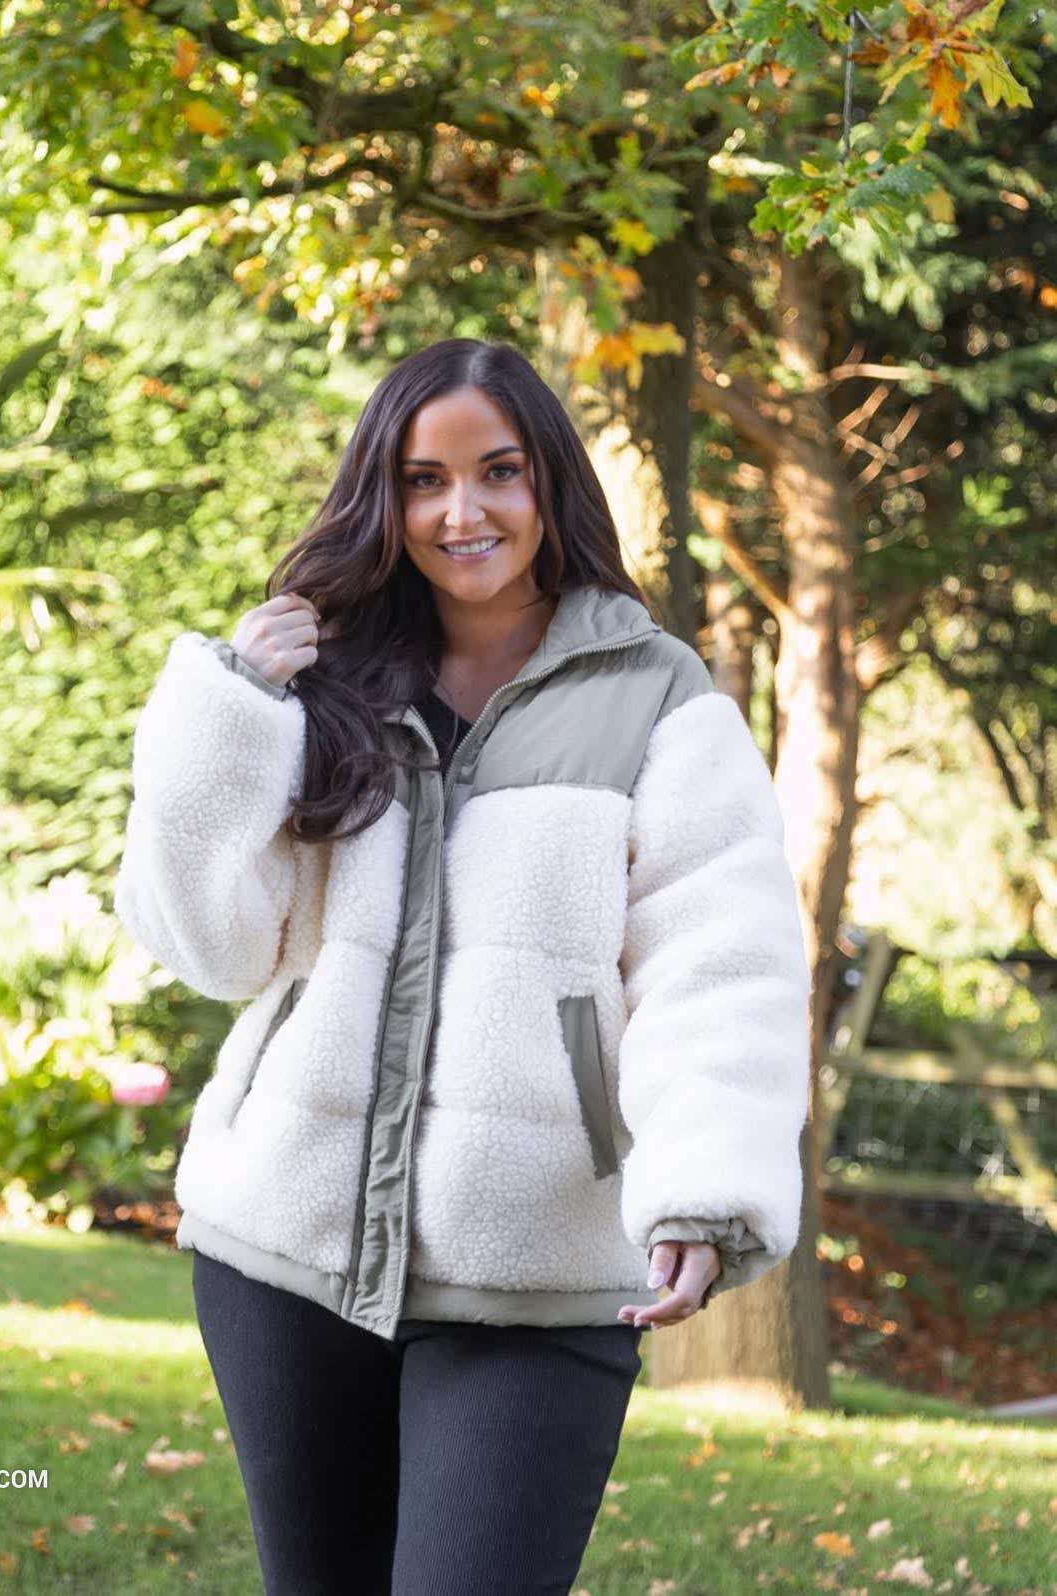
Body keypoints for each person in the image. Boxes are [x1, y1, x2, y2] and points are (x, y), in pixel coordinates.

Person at [113, 338, 812, 1595]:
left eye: (498, 471)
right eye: (424, 480)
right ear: (383, 499)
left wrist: (704, 1187)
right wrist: (229, 714)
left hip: (538, 1271)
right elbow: (213, 948)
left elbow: (720, 966)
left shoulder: (658, 698)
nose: (462, 511)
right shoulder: (321, 682)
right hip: (283, 1252)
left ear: (549, 482)